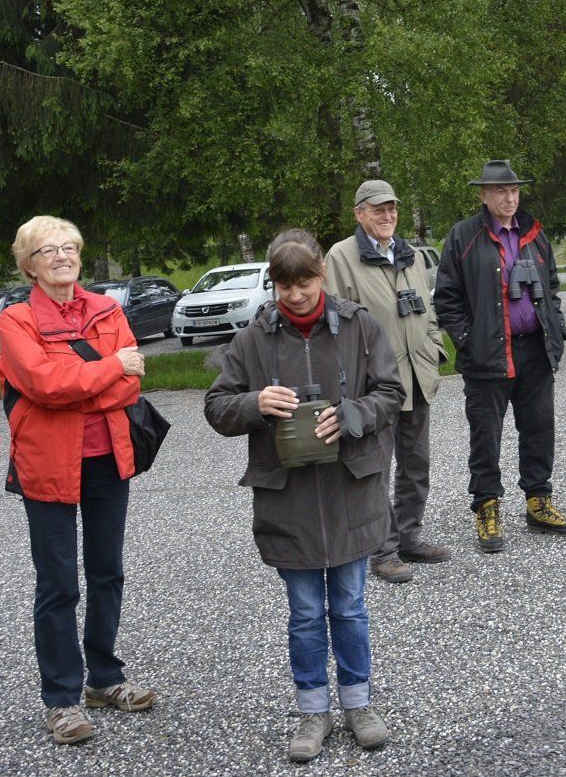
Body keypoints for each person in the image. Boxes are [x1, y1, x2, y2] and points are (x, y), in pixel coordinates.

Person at [205, 229, 403, 763]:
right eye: (284, 285)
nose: (295, 295)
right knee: (306, 612)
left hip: (350, 492)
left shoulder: (359, 326)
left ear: (323, 275)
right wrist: (254, 403)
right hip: (287, 500)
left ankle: (359, 704)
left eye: (305, 282)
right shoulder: (253, 339)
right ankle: (313, 711)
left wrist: (354, 414)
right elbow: (216, 407)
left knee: (351, 607)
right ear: (273, 283)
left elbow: (391, 393)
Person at [0, 215, 156, 745]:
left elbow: (130, 386)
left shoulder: (107, 309)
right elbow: (44, 384)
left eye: (69, 247)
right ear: (29, 266)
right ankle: (61, 698)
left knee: (107, 572)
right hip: (47, 464)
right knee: (58, 583)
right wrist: (108, 369)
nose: (62, 256)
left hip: (108, 456)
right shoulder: (14, 321)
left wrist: (80, 385)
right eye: (48, 250)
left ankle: (104, 679)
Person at [434, 160, 566, 552]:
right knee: (486, 436)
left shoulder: (534, 233)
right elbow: (446, 297)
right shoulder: (463, 236)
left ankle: (538, 502)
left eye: (514, 190)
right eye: (500, 191)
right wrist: (468, 340)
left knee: (539, 428)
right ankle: (487, 508)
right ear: (484, 195)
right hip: (488, 354)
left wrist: (557, 327)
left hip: (535, 350)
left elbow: (551, 286)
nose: (509, 198)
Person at [325, 179, 452, 584]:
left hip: (416, 377)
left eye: (392, 208)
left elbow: (427, 310)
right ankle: (382, 551)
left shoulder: (408, 254)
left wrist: (434, 352)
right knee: (375, 471)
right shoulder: (341, 257)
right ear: (359, 213)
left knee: (416, 466)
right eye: (378, 209)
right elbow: (333, 324)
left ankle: (409, 537)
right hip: (375, 387)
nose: (387, 215)